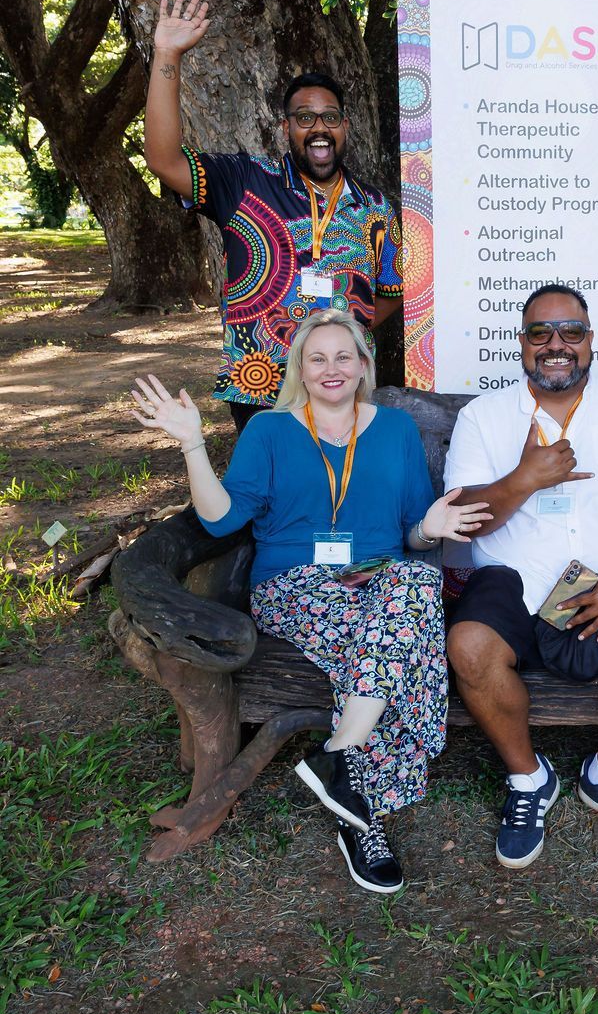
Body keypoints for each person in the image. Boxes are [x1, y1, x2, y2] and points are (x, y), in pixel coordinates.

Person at [130, 310, 489, 894]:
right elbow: (222, 521)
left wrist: (431, 524)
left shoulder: (395, 431)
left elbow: (412, 537)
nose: (331, 368)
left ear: (364, 366)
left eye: (343, 356)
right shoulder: (269, 432)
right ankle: (352, 783)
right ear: (299, 367)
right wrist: (194, 444)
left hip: (377, 575)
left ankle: (344, 770)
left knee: (408, 587)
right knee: (412, 615)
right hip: (294, 582)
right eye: (316, 357)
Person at [444, 282, 598, 870]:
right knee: (470, 645)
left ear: (590, 342)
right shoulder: (483, 416)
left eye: (571, 332)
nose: (556, 344)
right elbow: (464, 521)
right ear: (522, 344)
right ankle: (529, 780)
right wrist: (523, 479)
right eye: (541, 333)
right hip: (516, 580)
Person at [144, 0, 403, 431]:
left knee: (338, 494)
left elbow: (390, 293)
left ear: (345, 127)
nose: (319, 127)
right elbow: (163, 160)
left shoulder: (375, 207)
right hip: (260, 385)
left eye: (330, 117)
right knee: (269, 494)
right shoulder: (244, 181)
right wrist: (167, 54)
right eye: (305, 118)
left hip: (345, 390)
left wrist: (345, 330)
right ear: (286, 128)